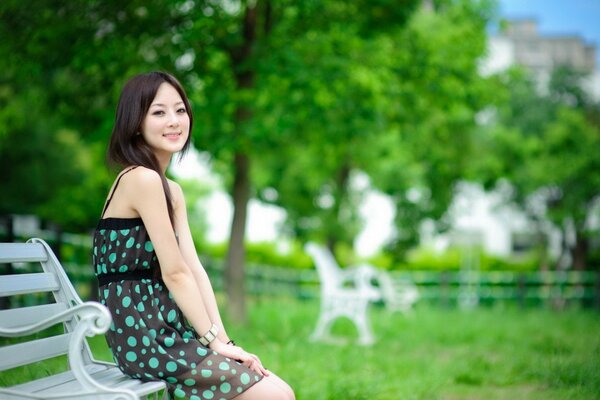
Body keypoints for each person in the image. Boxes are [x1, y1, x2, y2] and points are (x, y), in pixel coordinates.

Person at [92, 71, 295, 400]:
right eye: (158, 112)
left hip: (170, 330)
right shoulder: (140, 180)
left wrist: (226, 343)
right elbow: (175, 273)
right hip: (145, 338)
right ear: (136, 122)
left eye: (180, 110)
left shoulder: (171, 189)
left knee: (281, 391)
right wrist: (212, 341)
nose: (173, 121)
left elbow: (194, 269)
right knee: (276, 396)